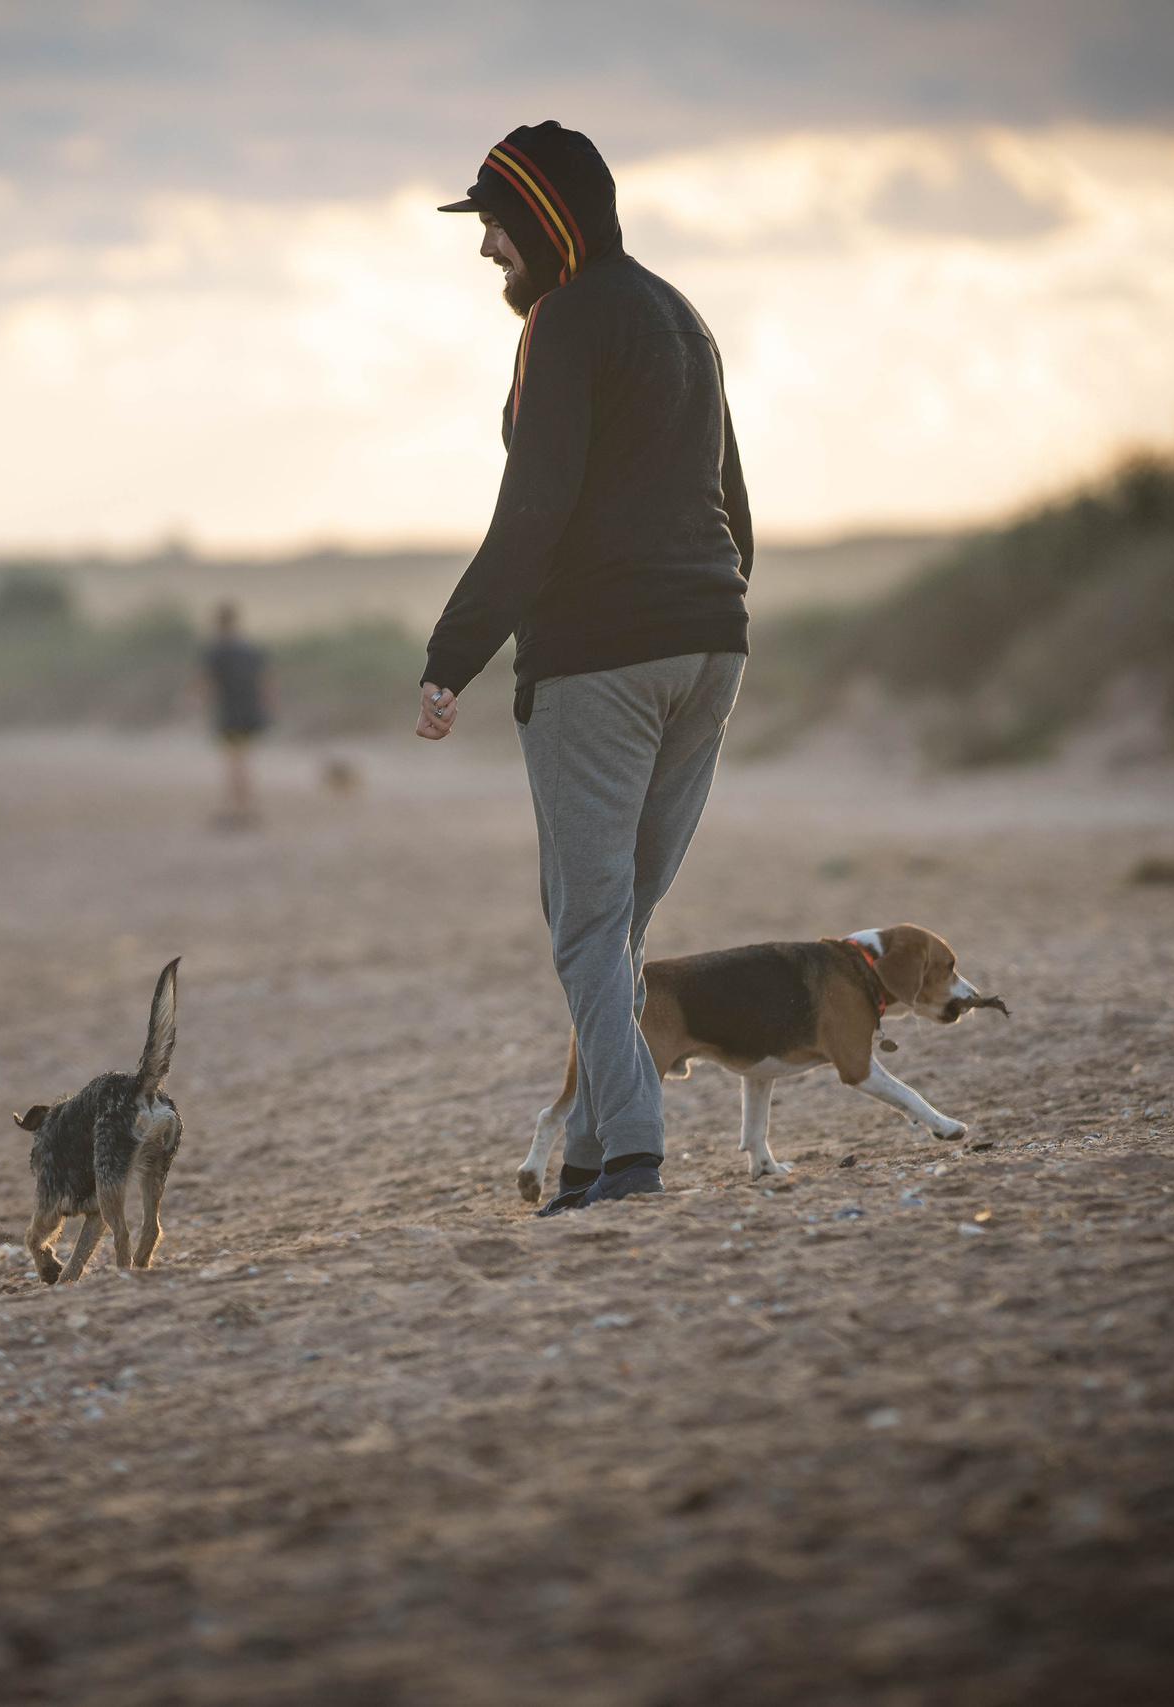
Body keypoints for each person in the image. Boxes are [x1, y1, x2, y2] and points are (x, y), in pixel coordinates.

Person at [415, 123, 754, 1216]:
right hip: (710, 647)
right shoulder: (679, 315)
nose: (486, 251)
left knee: (587, 925)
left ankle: (633, 1156)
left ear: (546, 219)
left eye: (496, 226)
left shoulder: (563, 322)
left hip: (599, 665)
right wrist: (707, 610)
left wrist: (452, 655)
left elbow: (536, 508)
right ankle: (589, 1160)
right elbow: (733, 508)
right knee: (618, 924)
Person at [198, 603, 274, 827]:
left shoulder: (216, 650)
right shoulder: (252, 648)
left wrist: (198, 704)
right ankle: (242, 807)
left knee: (235, 761)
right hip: (251, 712)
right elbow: (267, 681)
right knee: (242, 759)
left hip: (231, 713)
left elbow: (205, 681)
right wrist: (267, 708)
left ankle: (239, 810)